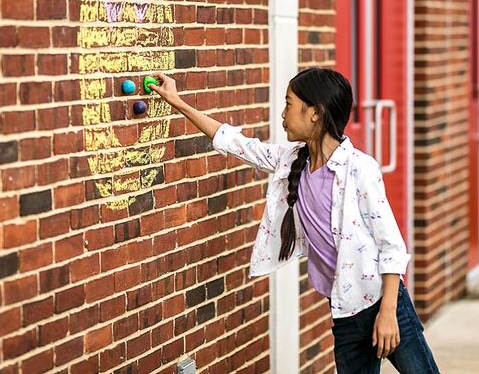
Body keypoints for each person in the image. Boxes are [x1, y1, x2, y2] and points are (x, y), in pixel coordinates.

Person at [147, 67, 440, 373]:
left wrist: (389, 313)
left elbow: (391, 246)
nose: (283, 113)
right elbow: (235, 143)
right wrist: (176, 102)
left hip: (385, 304)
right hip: (345, 313)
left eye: (288, 103)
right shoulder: (291, 161)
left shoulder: (359, 169)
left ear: (315, 113)